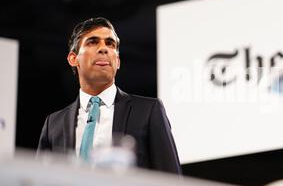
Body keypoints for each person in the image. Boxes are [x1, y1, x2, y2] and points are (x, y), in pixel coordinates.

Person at [37, 17, 181, 175]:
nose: (103, 49)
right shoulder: (53, 124)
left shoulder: (148, 111)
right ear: (73, 59)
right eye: (92, 42)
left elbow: (171, 180)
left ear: (117, 61)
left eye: (110, 44)